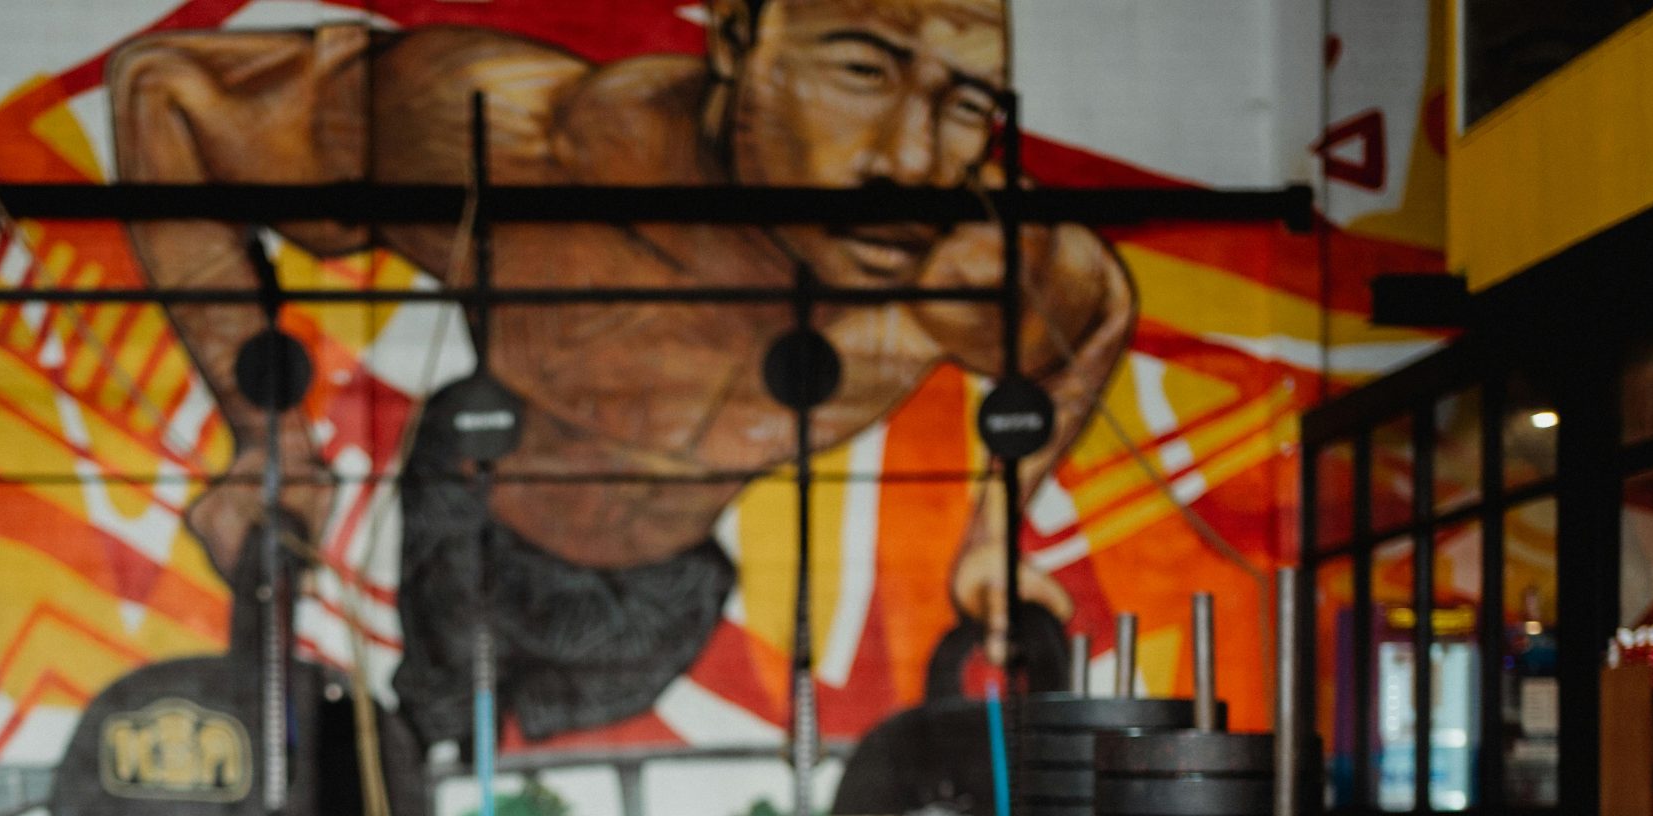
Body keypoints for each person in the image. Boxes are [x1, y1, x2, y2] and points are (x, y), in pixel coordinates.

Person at [108, 0, 1133, 746]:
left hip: (666, 600)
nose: (915, 159)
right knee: (435, 743)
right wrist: (264, 436)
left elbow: (1094, 321)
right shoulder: (527, 148)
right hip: (470, 531)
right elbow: (172, 94)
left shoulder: (974, 262)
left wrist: (997, 533)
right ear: (737, 39)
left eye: (966, 106)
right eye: (861, 71)